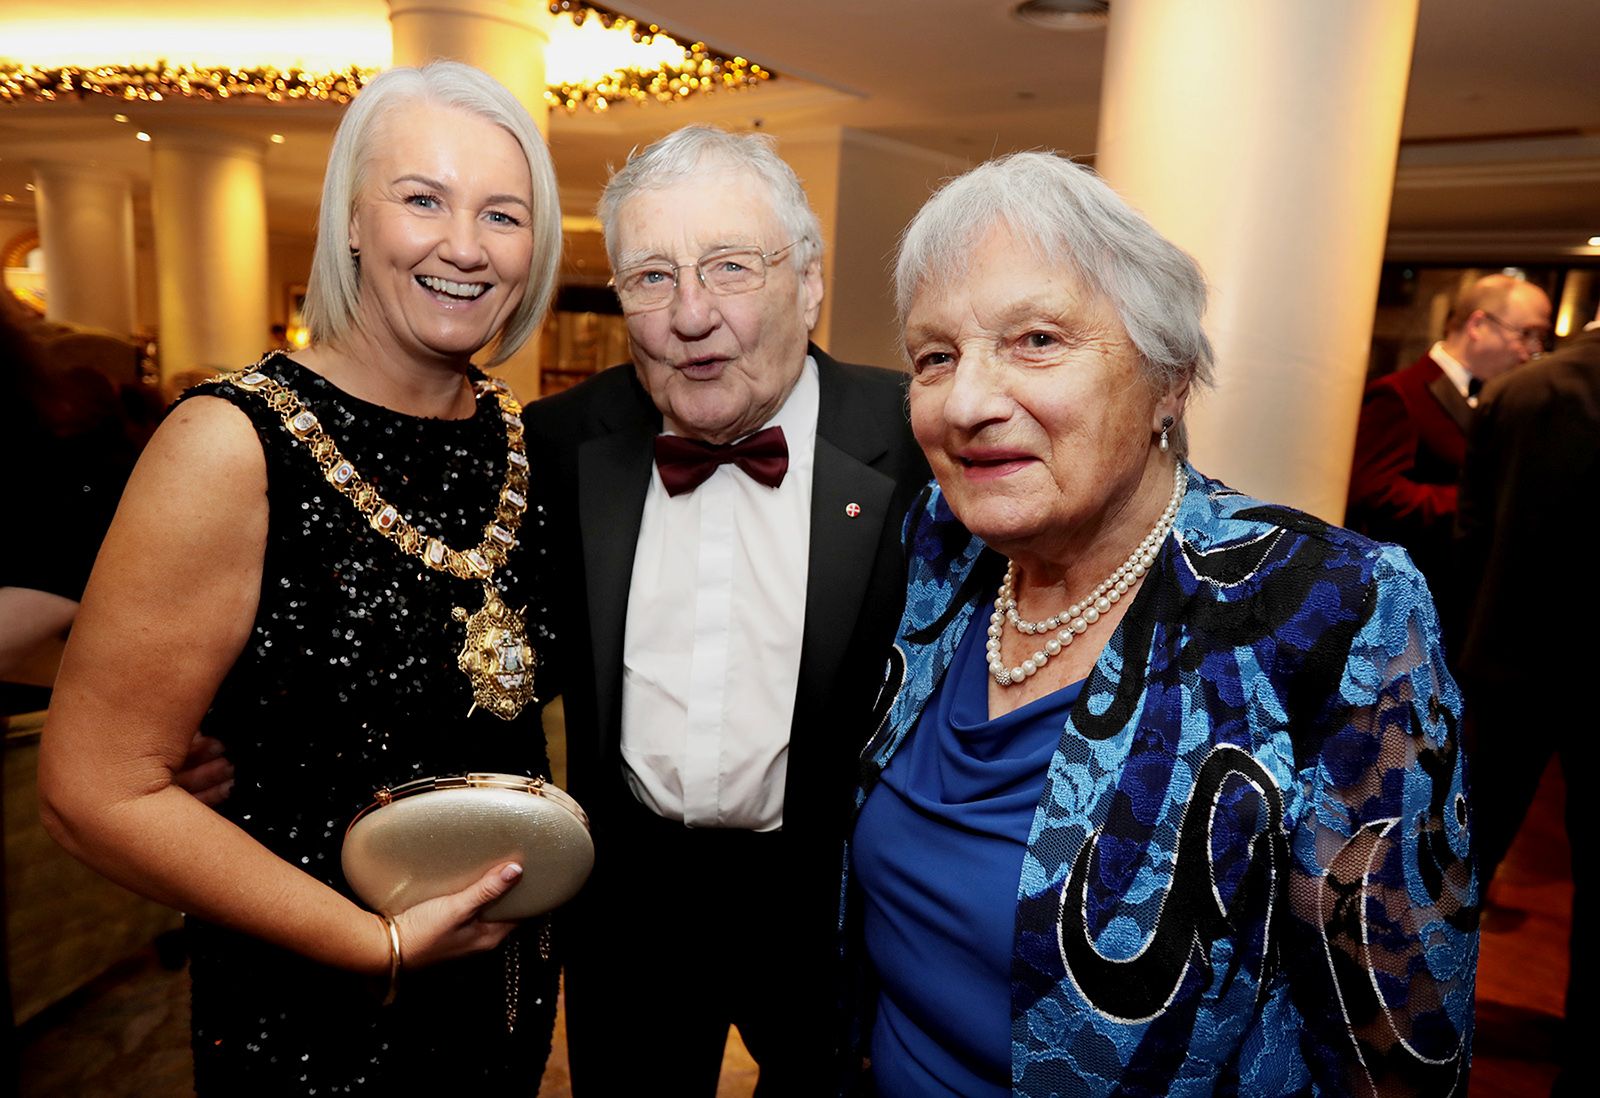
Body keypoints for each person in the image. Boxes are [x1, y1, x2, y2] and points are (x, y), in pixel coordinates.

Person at [845, 152, 1478, 1096]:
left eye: (1036, 340)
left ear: (1171, 380)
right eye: (936, 357)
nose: (968, 402)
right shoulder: (940, 549)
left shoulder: (1334, 608)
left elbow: (1394, 1040)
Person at [38, 61, 566, 1095]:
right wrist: (376, 944)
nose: (466, 245)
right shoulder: (231, 443)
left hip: (501, 978)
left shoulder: (526, 441)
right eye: (423, 199)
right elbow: (91, 789)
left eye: (502, 214)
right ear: (354, 222)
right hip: (315, 1002)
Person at [524, 125, 928, 1095]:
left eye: (730, 268)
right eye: (651, 277)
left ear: (811, 284)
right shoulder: (559, 443)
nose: (689, 315)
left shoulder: (920, 442)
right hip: (630, 908)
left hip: (834, 904)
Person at [1457, 305, 1600, 1096]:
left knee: (1457, 858)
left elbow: (1473, 532)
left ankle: (1412, 1022)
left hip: (1504, 662)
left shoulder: (1517, 392)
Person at [1346, 273, 1551, 610]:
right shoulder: (1399, 394)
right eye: (1527, 334)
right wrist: (1480, 500)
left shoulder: (1507, 398)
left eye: (1540, 338)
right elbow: (1373, 494)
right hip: (1412, 591)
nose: (1533, 351)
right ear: (1478, 325)